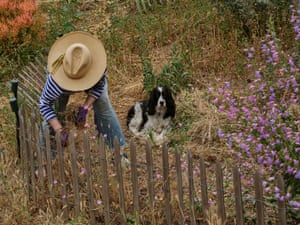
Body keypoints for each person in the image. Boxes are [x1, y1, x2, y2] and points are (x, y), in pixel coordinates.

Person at [39, 31, 127, 156]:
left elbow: (99, 87)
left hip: (90, 71)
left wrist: (85, 107)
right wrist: (59, 130)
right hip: (62, 78)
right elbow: (44, 104)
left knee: (103, 105)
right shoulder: (55, 81)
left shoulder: (98, 66)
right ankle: (48, 159)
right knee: (57, 111)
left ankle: (119, 153)